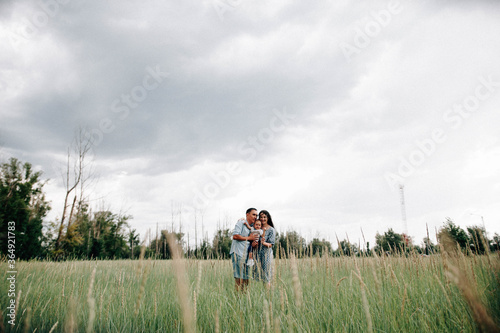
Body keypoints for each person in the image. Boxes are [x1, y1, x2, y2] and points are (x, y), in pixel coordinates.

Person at [229, 208, 259, 292]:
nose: (255, 217)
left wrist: (253, 243)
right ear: (247, 214)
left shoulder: (253, 227)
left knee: (246, 277)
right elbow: (235, 236)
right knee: (239, 277)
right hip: (238, 253)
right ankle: (238, 298)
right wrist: (249, 238)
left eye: (256, 215)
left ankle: (244, 298)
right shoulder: (241, 223)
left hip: (247, 255)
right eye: (253, 214)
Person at [258, 210, 276, 286]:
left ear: (268, 218)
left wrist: (263, 243)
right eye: (261, 217)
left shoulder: (271, 229)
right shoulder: (258, 227)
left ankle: (268, 295)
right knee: (261, 275)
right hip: (258, 254)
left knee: (267, 275)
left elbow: (271, 244)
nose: (262, 219)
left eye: (264, 217)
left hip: (266, 254)